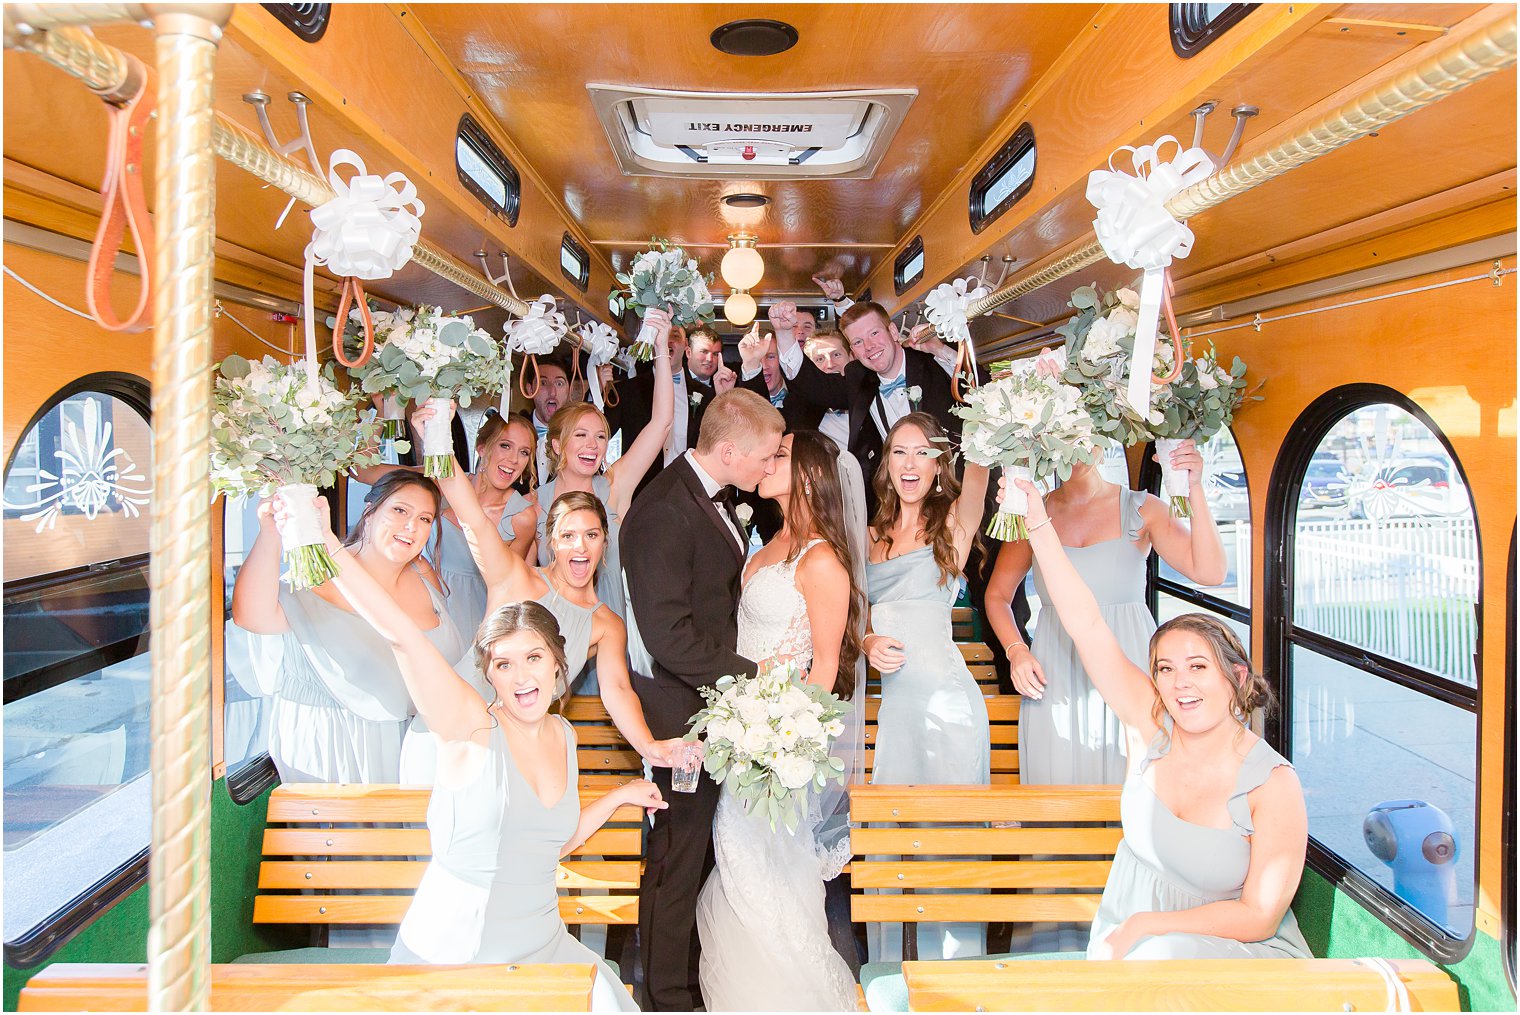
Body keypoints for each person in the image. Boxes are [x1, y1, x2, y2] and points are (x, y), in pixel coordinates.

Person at [275, 494, 659, 1009]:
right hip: (461, 956)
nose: (521, 677)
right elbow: (403, 637)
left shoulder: (563, 737)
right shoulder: (470, 727)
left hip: (545, 947)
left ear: (557, 665)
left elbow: (554, 840)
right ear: (489, 674)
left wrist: (620, 796)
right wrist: (326, 543)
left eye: (533, 658)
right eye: (503, 665)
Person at [1013, 476, 1310, 961]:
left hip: (1227, 952)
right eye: (1165, 670)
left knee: (1161, 957)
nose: (1180, 684)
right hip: (1129, 945)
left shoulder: (1272, 784)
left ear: (1236, 676)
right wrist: (1039, 522)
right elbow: (1085, 624)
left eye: (1198, 667)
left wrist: (1147, 927)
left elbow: (1258, 916)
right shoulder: (1150, 726)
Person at [620, 388, 785, 1012]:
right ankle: (666, 994)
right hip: (676, 713)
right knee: (676, 854)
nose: (770, 468)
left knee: (696, 852)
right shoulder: (663, 509)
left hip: (707, 703)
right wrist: (754, 675)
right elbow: (668, 635)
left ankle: (687, 978)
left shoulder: (710, 499)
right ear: (729, 449)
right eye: (766, 457)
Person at [695, 431, 867, 1011]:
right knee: (739, 867)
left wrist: (785, 742)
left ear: (809, 473)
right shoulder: (770, 543)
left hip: (780, 750)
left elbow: (823, 666)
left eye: (781, 454)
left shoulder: (820, 558)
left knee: (771, 874)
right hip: (742, 735)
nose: (768, 459)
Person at [418, 426, 686, 780]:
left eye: (591, 535)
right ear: (552, 543)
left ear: (604, 542)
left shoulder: (605, 624)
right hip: (451, 732)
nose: (580, 547)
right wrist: (437, 435)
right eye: (568, 536)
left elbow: (618, 690)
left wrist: (650, 746)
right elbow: (473, 518)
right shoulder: (517, 578)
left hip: (516, 750)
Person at [984, 439, 1227, 785]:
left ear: (1101, 442)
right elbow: (997, 596)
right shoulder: (1031, 513)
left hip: (1129, 666)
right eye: (1063, 439)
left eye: (1082, 438)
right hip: (1056, 672)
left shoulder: (1142, 508)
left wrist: (1195, 490)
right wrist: (1017, 650)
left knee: (1134, 781)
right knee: (1056, 787)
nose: (1073, 450)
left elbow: (1210, 572)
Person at [229, 471, 464, 784]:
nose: (411, 526)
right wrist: (270, 532)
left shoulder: (424, 575)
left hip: (423, 746)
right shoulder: (315, 578)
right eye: (399, 510)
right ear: (369, 513)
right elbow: (252, 617)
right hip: (340, 748)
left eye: (424, 518)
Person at [863, 412, 991, 962]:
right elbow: (856, 614)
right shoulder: (869, 535)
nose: (909, 464)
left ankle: (959, 976)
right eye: (899, 452)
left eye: (922, 453)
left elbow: (982, 469)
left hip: (950, 706)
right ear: (886, 464)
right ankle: (888, 972)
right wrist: (868, 641)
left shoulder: (953, 526)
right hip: (897, 713)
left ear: (940, 464)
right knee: (889, 844)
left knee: (952, 843)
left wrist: (992, 399)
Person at [536, 308, 675, 626]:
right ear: (558, 445)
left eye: (600, 437)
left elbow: (662, 423)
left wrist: (660, 349)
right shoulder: (533, 504)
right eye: (581, 435)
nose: (592, 445)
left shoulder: (614, 486)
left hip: (612, 622)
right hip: (554, 630)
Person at [353, 409, 539, 642]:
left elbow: (509, 589)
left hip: (476, 624)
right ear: (482, 448)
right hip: (420, 607)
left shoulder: (521, 517)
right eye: (505, 446)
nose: (513, 459)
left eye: (524, 452)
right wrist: (382, 410)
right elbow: (362, 471)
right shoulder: (442, 481)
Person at [804, 330, 853, 450]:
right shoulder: (804, 412)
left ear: (851, 357)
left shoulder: (870, 397)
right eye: (820, 359)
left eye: (836, 355)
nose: (830, 364)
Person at [528, 357, 573, 483]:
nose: (552, 392)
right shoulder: (514, 430)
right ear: (529, 389)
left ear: (569, 390)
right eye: (543, 383)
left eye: (559, 383)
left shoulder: (578, 435)